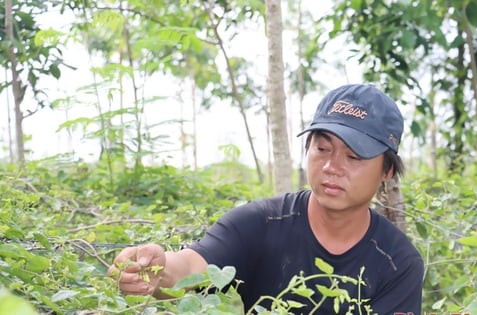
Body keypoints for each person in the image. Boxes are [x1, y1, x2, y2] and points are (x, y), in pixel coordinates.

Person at [108, 83, 424, 314]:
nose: (331, 167)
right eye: (322, 148)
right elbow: (192, 265)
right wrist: (155, 271)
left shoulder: (399, 263)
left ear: (387, 171)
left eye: (354, 157)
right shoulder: (259, 224)